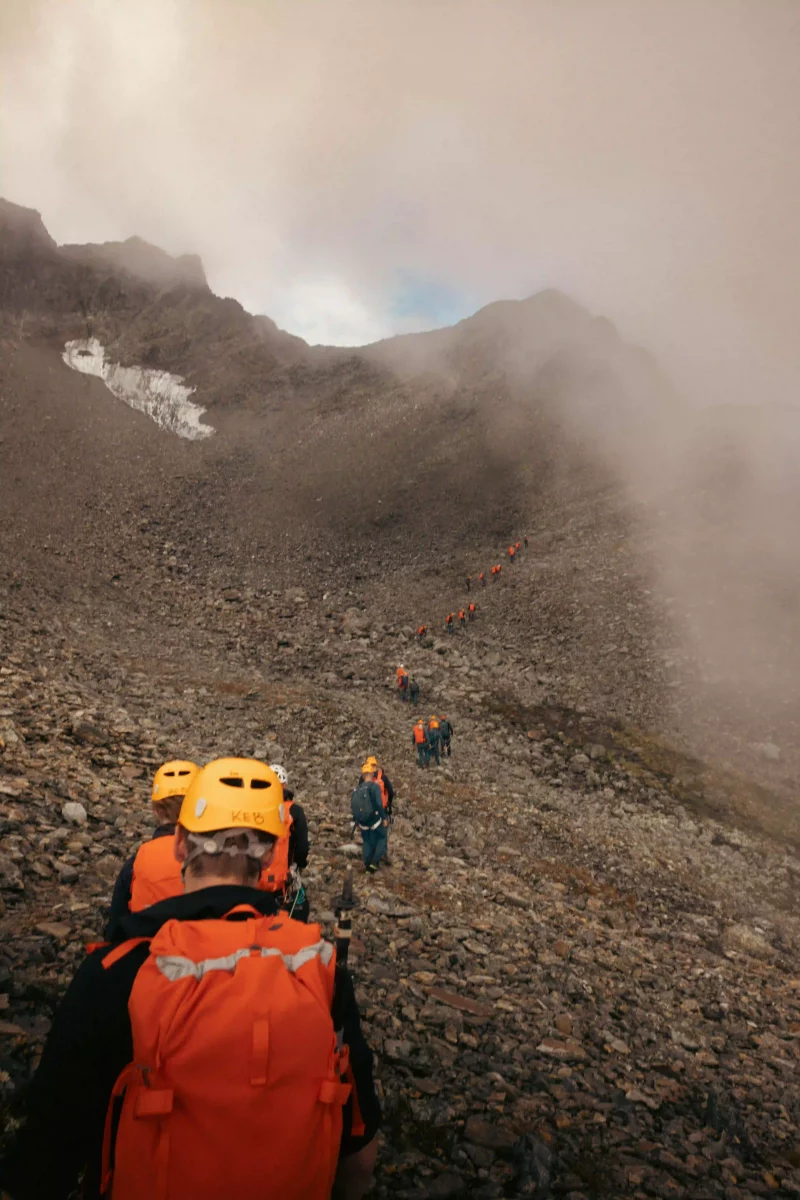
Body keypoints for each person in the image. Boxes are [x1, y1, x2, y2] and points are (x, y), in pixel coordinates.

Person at [0, 758, 380, 1200]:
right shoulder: (320, 968)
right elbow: (360, 1154)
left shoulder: (117, 971)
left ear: (180, 843)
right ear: (274, 853)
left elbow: (45, 1159)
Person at [105, 760, 198, 939]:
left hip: (147, 956)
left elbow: (115, 930)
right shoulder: (218, 860)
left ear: (156, 811)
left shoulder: (136, 863)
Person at [262, 764, 310, 921]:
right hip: (282, 877)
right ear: (285, 785)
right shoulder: (295, 811)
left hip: (253, 878)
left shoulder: (254, 807)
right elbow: (302, 846)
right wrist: (299, 865)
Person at [351, 763, 387, 874]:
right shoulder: (374, 786)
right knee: (382, 838)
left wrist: (356, 821)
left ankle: (367, 864)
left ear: (362, 776)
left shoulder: (357, 789)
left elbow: (353, 807)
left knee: (367, 841)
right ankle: (374, 864)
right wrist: (384, 818)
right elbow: (379, 804)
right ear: (372, 774)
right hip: (374, 819)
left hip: (362, 822)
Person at [362, 756, 394, 867]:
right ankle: (381, 857)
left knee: (370, 835)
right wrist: (389, 803)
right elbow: (391, 791)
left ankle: (369, 858)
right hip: (381, 810)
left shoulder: (363, 779)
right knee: (382, 835)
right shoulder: (382, 777)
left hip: (368, 812)